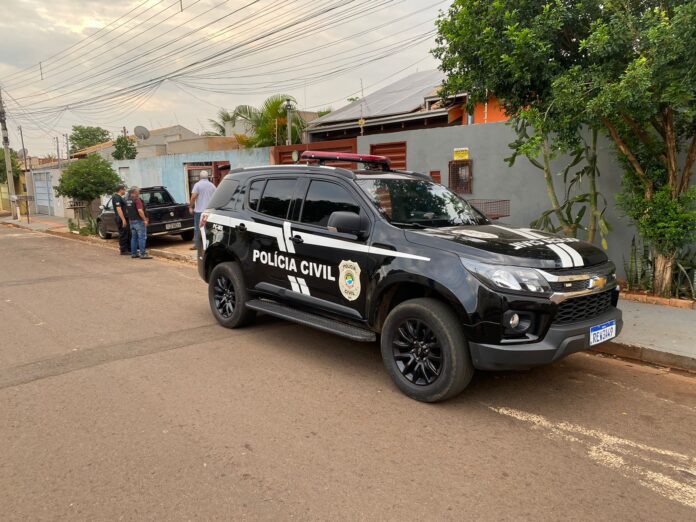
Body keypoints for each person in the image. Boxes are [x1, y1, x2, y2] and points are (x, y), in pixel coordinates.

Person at [189, 170, 217, 250]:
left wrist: (190, 207)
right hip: (209, 212)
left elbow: (193, 197)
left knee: (198, 228)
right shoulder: (212, 185)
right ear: (207, 177)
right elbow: (215, 197)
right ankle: (208, 245)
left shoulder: (197, 185)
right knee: (208, 228)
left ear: (199, 177)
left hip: (199, 211)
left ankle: (197, 245)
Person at [125, 186, 152, 259]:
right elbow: (140, 211)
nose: (139, 192)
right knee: (142, 237)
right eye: (138, 191)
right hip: (139, 221)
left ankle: (134, 253)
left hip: (131, 221)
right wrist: (145, 220)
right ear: (135, 192)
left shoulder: (127, 200)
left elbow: (127, 211)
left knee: (134, 238)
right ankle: (142, 254)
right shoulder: (137, 200)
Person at [112, 184, 130, 255]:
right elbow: (118, 209)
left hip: (123, 218)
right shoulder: (116, 197)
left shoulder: (119, 197)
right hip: (121, 218)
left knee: (126, 233)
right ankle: (123, 250)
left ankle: (127, 249)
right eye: (124, 189)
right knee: (123, 234)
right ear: (120, 190)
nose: (125, 191)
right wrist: (123, 219)